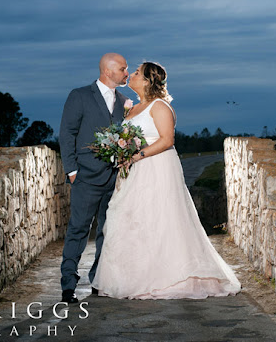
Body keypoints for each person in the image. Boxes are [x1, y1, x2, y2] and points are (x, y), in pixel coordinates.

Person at [92, 61, 241, 299]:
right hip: (135, 171)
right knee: (131, 218)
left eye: (137, 73)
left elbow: (167, 139)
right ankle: (134, 276)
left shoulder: (159, 106)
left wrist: (136, 156)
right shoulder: (133, 108)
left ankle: (167, 277)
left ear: (148, 81)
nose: (131, 75)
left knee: (159, 218)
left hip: (156, 167)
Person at [59, 53, 130, 303]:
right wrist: (72, 170)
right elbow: (67, 132)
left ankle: (99, 280)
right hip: (86, 177)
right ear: (108, 71)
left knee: (107, 231)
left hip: (115, 179)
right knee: (78, 230)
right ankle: (68, 285)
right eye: (123, 69)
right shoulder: (79, 96)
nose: (126, 73)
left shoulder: (125, 101)